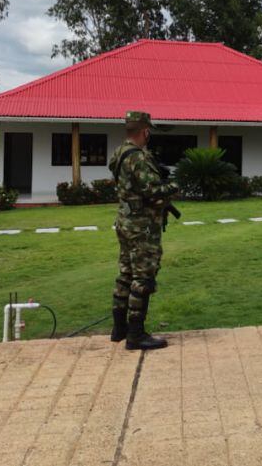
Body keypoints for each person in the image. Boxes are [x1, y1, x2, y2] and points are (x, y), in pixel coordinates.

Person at [108, 110, 178, 350]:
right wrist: (174, 185)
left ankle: (119, 329)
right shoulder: (138, 157)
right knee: (143, 277)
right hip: (142, 227)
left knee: (126, 273)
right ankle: (136, 335)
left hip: (125, 221)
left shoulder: (119, 153)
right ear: (145, 131)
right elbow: (152, 191)